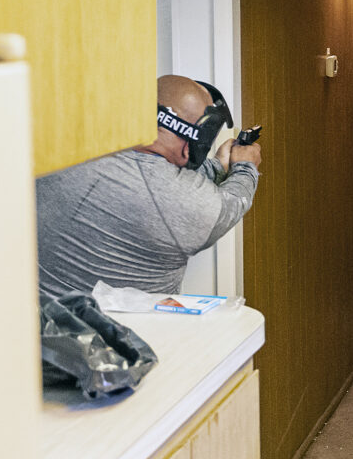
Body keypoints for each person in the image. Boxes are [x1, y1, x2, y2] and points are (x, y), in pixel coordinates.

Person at [36, 75, 261, 299]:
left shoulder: (61, 152)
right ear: (188, 148)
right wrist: (245, 166)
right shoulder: (186, 201)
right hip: (130, 333)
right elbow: (232, 203)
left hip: (37, 326)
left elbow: (150, 179)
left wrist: (217, 167)